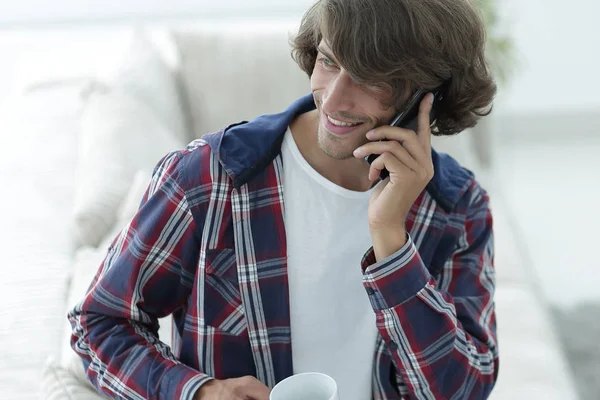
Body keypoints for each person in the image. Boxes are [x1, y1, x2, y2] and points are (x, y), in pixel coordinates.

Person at [68, 0, 499, 399]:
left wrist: (391, 240)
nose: (333, 99)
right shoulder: (208, 178)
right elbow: (100, 324)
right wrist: (199, 392)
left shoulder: (457, 209)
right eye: (329, 61)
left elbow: (461, 391)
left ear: (427, 95)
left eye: (370, 79)